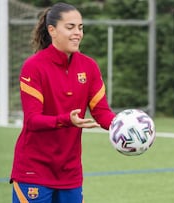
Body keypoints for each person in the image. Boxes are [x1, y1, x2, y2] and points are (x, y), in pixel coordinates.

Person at [10, 2, 116, 203]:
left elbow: (102, 112)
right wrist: (67, 119)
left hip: (70, 173)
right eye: (70, 27)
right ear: (52, 31)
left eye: (80, 27)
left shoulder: (89, 67)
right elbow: (33, 120)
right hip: (33, 170)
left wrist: (125, 125)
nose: (77, 33)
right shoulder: (33, 67)